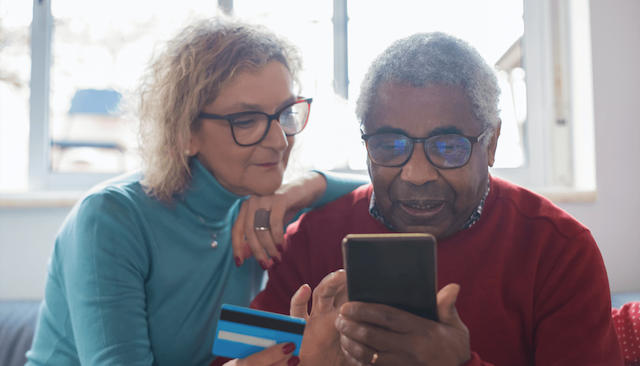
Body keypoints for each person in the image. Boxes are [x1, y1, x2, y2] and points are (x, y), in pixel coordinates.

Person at [252, 32, 624, 365]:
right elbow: (233, 359)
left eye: (447, 146)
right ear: (366, 145)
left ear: (490, 144)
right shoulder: (311, 240)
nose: (416, 175)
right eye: (390, 145)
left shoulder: (558, 249)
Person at [25, 17, 368, 366]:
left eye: (284, 113)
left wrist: (302, 188)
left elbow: (377, 190)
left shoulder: (255, 204)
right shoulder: (109, 218)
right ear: (184, 133)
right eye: (246, 121)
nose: (280, 141)